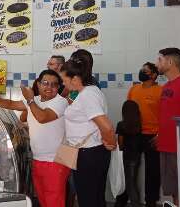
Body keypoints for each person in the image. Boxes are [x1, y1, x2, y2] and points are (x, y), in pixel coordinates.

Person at [0, 70, 69, 207]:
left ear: (58, 87)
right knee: (43, 199)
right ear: (38, 84)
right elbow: (8, 104)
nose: (49, 87)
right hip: (38, 160)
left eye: (54, 85)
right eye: (45, 83)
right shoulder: (35, 101)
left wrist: (30, 99)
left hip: (56, 162)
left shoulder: (61, 102)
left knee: (54, 201)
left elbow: (42, 117)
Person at [59, 58, 116, 207]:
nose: (63, 84)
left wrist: (110, 143)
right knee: (95, 197)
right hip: (91, 152)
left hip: (89, 154)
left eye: (64, 80)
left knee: (88, 199)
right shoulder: (89, 91)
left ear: (75, 78)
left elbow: (106, 126)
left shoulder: (87, 95)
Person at [156, 47, 180, 206]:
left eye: (159, 60)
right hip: (165, 146)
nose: (156, 63)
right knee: (173, 190)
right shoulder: (166, 87)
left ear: (170, 62)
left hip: (179, 148)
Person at [127, 62, 162, 207]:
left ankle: (151, 202)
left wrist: (160, 134)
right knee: (129, 168)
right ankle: (126, 199)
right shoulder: (134, 89)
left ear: (154, 75)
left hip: (153, 135)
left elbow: (165, 115)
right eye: (142, 69)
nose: (142, 72)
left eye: (145, 71)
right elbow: (128, 110)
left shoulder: (160, 91)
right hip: (134, 133)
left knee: (153, 171)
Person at [115, 100, 144, 207]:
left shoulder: (121, 125)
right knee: (132, 183)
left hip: (125, 157)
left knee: (128, 184)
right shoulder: (140, 126)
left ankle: (133, 204)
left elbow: (120, 144)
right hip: (136, 157)